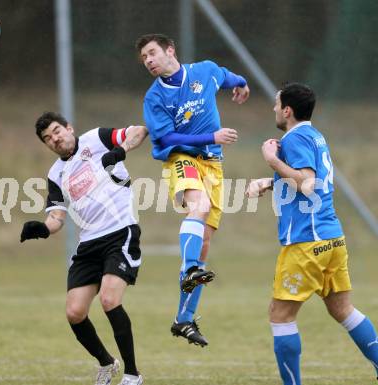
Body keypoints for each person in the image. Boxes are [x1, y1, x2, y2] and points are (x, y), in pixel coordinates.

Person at [246, 83, 378, 384]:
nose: (274, 109)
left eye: (277, 104)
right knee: (343, 310)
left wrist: (272, 160)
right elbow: (312, 182)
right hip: (331, 238)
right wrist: (270, 181)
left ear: (288, 110)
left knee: (280, 316)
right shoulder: (315, 136)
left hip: (306, 242)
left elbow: (306, 182)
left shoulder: (294, 138)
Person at [135, 33, 250, 347]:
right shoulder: (154, 97)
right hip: (182, 159)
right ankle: (190, 269)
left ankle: (183, 319)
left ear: (170, 50)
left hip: (213, 165)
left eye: (152, 53)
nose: (148, 61)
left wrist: (242, 82)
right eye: (144, 57)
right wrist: (211, 137)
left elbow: (227, 77)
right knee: (197, 208)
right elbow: (168, 138)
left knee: (203, 244)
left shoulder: (204, 71)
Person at [20, 112, 148, 385]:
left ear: (69, 128)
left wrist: (119, 151)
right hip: (89, 243)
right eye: (47, 138)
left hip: (120, 231)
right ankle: (106, 363)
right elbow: (56, 217)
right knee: (74, 312)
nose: (54, 139)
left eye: (56, 131)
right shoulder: (55, 174)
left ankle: (132, 374)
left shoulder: (96, 138)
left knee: (109, 300)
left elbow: (140, 130)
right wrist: (42, 229)